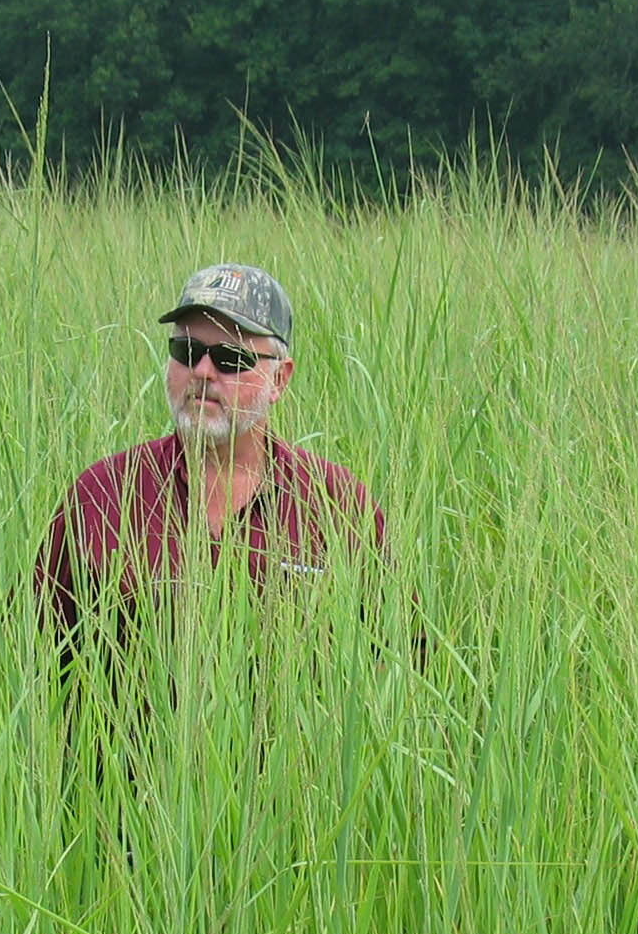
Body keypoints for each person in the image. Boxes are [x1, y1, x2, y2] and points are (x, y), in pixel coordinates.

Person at [34, 262, 390, 678]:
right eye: (187, 351)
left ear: (280, 379)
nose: (203, 372)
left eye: (230, 358)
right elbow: (31, 654)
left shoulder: (337, 503)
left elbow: (398, 659)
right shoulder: (102, 494)